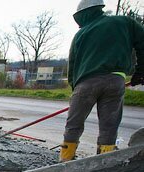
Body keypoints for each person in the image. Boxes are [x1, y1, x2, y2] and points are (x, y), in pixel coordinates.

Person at [60, 0, 144, 162]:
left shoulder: (81, 34)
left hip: (85, 83)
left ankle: (65, 160)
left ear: (81, 15)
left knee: (74, 124)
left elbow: (72, 65)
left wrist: (75, 90)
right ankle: (104, 162)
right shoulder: (123, 22)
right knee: (109, 126)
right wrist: (140, 72)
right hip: (115, 80)